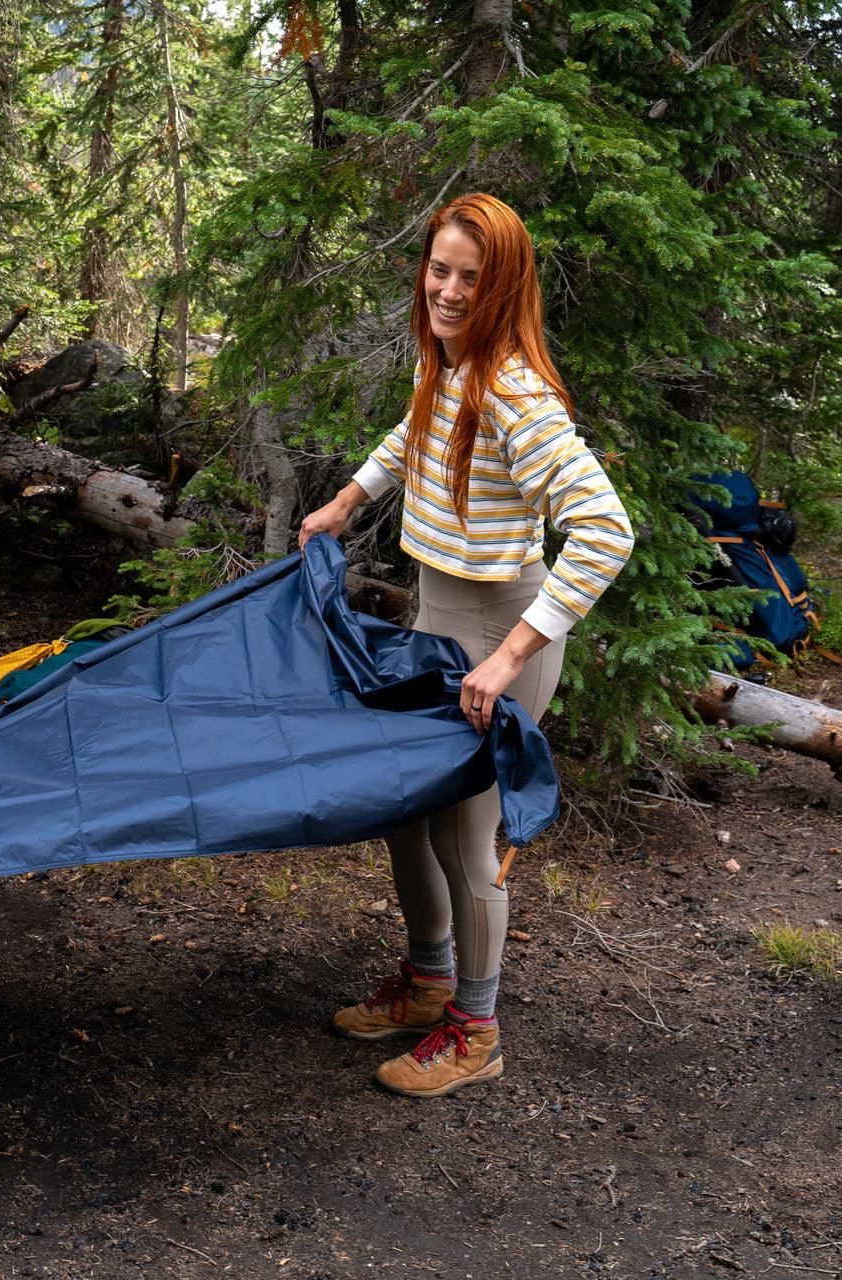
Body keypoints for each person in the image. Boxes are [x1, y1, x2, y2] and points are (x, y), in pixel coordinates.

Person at [298, 192, 634, 1099]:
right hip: (438, 623)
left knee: (463, 838)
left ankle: (476, 1030)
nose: (448, 290)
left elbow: (606, 530)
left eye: (471, 279)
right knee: (407, 813)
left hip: (496, 636)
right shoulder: (450, 364)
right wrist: (344, 504)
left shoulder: (517, 393)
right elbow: (414, 433)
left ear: (504, 288)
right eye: (439, 269)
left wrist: (512, 654)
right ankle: (428, 981)